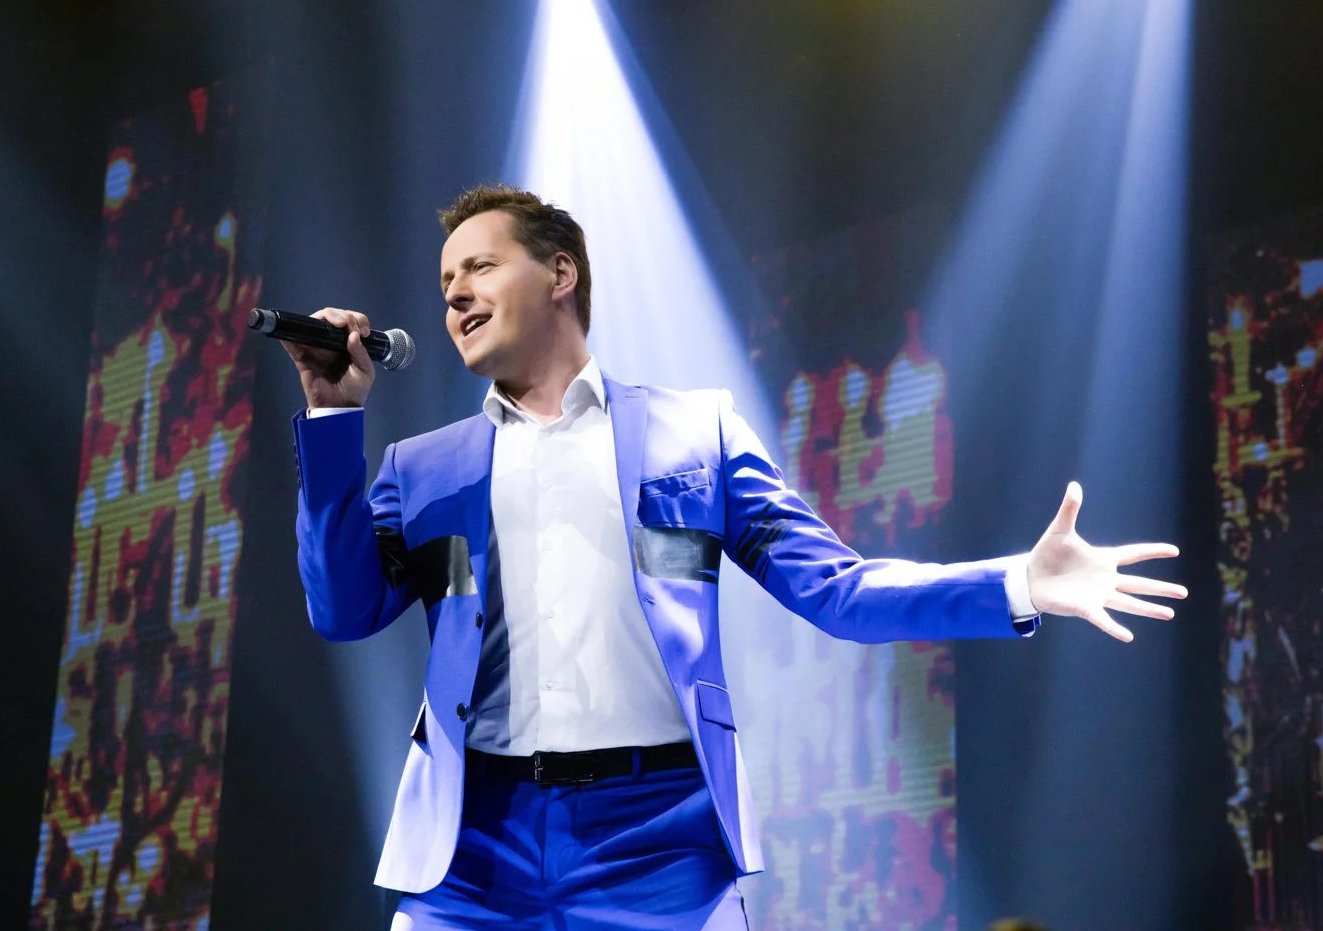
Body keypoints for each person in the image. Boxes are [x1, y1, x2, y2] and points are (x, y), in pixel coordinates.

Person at [285, 184, 1186, 930]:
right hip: (473, 850)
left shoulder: (695, 433)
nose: (454, 295)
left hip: (660, 845)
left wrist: (1019, 582)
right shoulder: (424, 467)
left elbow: (838, 592)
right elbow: (343, 610)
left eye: (479, 267)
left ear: (560, 273)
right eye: (445, 281)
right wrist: (332, 417)